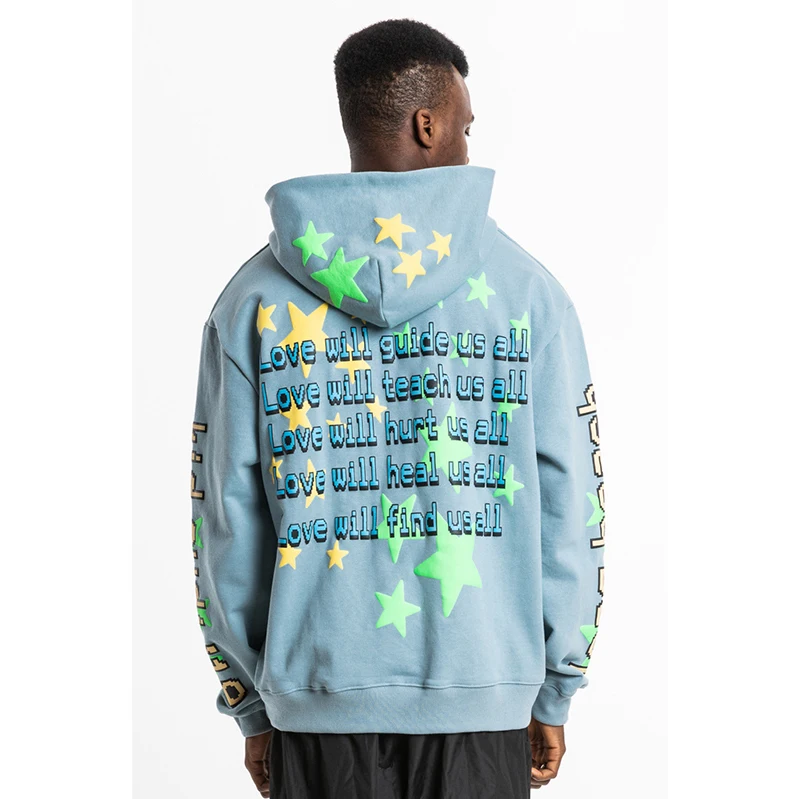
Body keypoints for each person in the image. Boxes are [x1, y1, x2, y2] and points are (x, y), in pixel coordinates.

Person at [189, 18, 606, 799]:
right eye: (466, 127)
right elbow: (572, 505)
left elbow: (223, 525)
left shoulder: (251, 303)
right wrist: (557, 683)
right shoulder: (527, 294)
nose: (469, 145)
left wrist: (250, 701)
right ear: (428, 123)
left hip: (317, 713)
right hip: (484, 704)